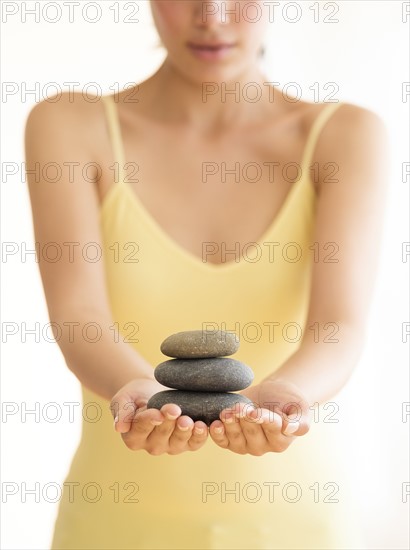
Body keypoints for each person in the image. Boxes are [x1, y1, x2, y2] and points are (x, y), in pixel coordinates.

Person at [25, 1, 388, 548]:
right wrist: (139, 393)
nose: (212, 15)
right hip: (113, 527)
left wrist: (289, 395)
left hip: (297, 526)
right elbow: (79, 315)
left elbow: (339, 327)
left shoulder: (347, 135)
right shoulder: (70, 125)